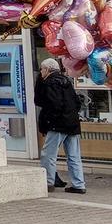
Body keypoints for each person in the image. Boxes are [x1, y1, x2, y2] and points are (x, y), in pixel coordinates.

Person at [35, 57, 85, 194]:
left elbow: (51, 104)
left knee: (48, 154)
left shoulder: (50, 83)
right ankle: (79, 184)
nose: (41, 72)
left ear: (47, 69)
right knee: (74, 156)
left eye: (41, 69)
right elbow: (77, 103)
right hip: (73, 124)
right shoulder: (66, 81)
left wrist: (49, 122)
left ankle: (48, 182)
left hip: (58, 124)